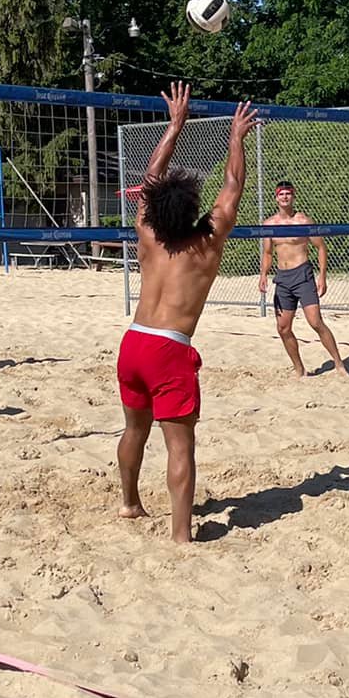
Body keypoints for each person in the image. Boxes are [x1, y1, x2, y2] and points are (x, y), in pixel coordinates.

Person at [117, 84, 259, 542]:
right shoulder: (206, 244)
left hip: (133, 341)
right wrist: (236, 137)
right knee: (180, 446)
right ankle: (181, 536)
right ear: (193, 208)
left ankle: (129, 503)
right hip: (169, 350)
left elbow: (150, 181)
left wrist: (175, 125)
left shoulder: (147, 236)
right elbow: (233, 186)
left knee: (134, 430)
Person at [256, 180, 348, 377]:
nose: (285, 197)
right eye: (281, 194)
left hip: (303, 275)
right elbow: (268, 253)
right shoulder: (269, 224)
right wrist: (263, 274)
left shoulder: (303, 221)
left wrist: (322, 276)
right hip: (283, 278)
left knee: (315, 322)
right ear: (276, 198)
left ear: (293, 196)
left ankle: (339, 364)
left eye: (288, 193)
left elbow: (321, 247)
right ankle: (299, 369)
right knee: (283, 328)